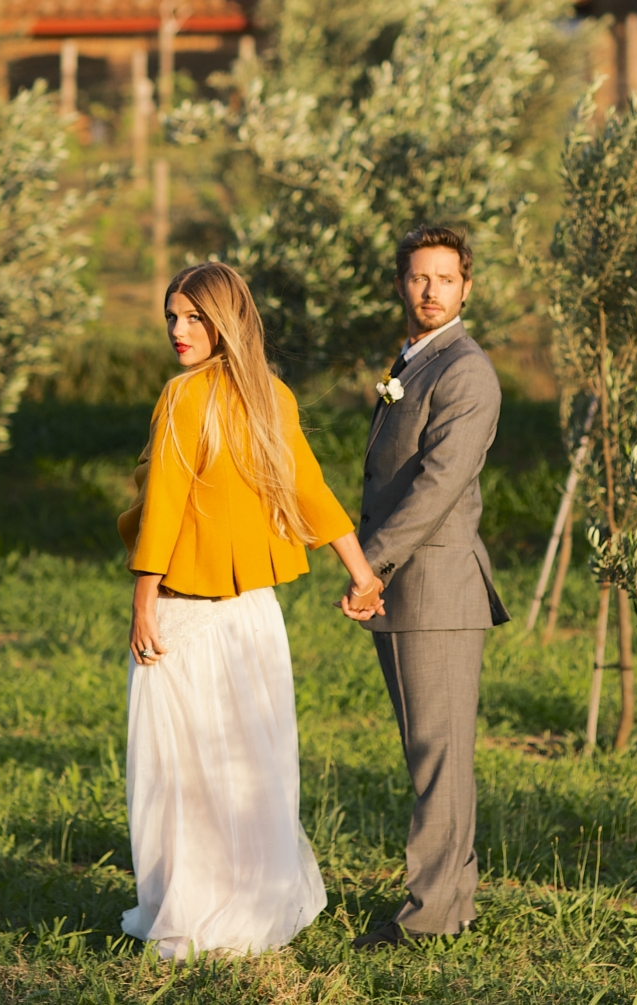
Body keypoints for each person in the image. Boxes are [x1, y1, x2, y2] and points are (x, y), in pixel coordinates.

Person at [117, 261, 386, 959]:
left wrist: (143, 602)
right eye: (172, 315)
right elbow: (313, 493)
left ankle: (196, 914)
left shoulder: (184, 399)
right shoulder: (272, 395)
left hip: (187, 618)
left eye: (193, 317)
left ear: (224, 321)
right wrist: (362, 574)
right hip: (254, 619)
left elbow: (163, 510)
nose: (178, 330)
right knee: (249, 770)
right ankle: (248, 907)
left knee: (180, 776)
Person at [351, 225, 508, 949]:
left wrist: (370, 562)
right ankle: (451, 899)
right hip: (410, 589)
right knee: (434, 752)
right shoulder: (413, 359)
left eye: (445, 278)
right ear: (400, 283)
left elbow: (439, 483)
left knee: (438, 756)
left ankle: (432, 916)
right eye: (419, 277)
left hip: (435, 587)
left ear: (467, 286)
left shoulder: (466, 370)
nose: (431, 290)